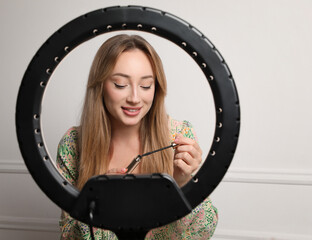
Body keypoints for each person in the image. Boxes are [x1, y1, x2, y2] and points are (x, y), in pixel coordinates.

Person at [56, 34, 218, 239]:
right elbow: (69, 236)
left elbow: (203, 231)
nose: (134, 98)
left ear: (156, 88)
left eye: (145, 86)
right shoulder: (73, 144)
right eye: (120, 84)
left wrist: (184, 185)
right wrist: (100, 201)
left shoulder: (179, 135)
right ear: (100, 86)